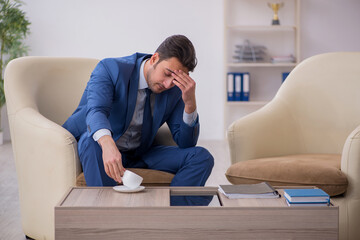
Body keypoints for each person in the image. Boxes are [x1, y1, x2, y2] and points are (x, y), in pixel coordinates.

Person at [63, 35, 214, 205]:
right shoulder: (111, 68)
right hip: (100, 147)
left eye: (175, 80)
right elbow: (97, 110)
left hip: (141, 152)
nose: (167, 84)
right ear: (154, 58)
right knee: (91, 143)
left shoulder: (174, 90)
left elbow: (186, 143)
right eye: (167, 74)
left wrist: (190, 104)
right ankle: (108, 220)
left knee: (201, 157)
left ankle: (172, 217)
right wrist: (107, 144)